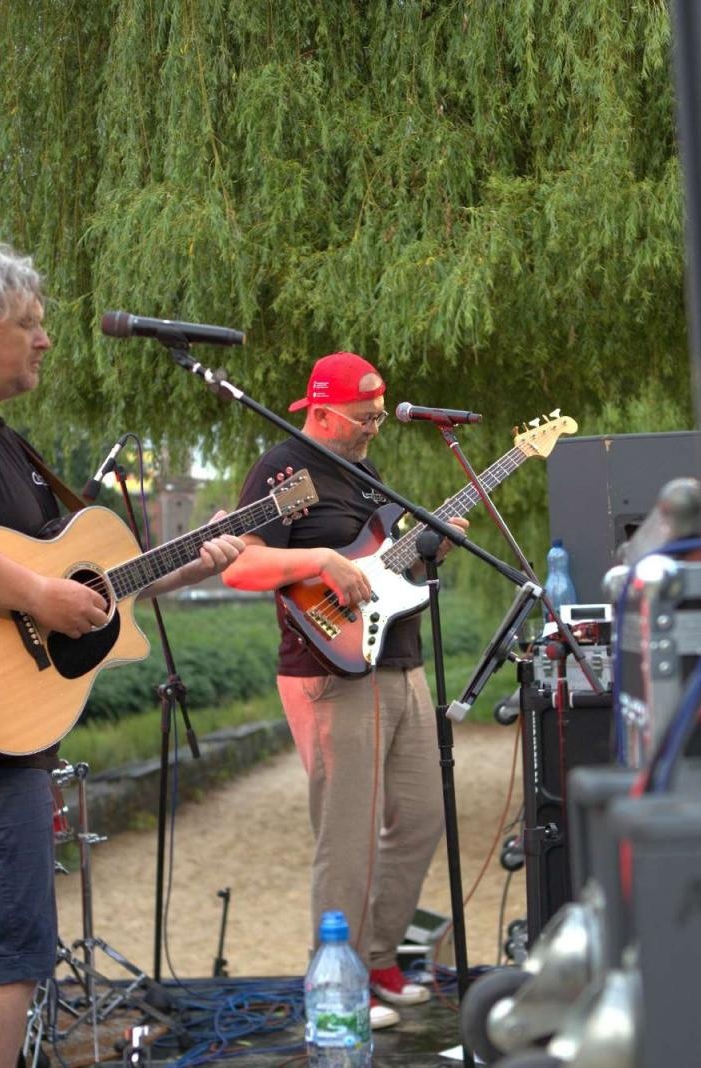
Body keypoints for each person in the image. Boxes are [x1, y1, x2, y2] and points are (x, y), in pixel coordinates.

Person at [0, 235, 243, 1068]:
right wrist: (39, 596)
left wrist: (177, 567)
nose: (47, 340)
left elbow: (74, 585)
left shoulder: (0, 441)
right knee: (1, 961)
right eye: (29, 323)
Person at [221, 352, 467, 1030]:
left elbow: (381, 565)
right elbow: (241, 565)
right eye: (363, 418)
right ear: (322, 412)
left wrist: (429, 550)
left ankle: (379, 956)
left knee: (419, 818)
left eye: (380, 416)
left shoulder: (364, 472)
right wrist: (320, 558)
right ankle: (339, 982)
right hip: (330, 670)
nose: (374, 429)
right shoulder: (282, 471)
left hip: (400, 661)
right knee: (348, 834)